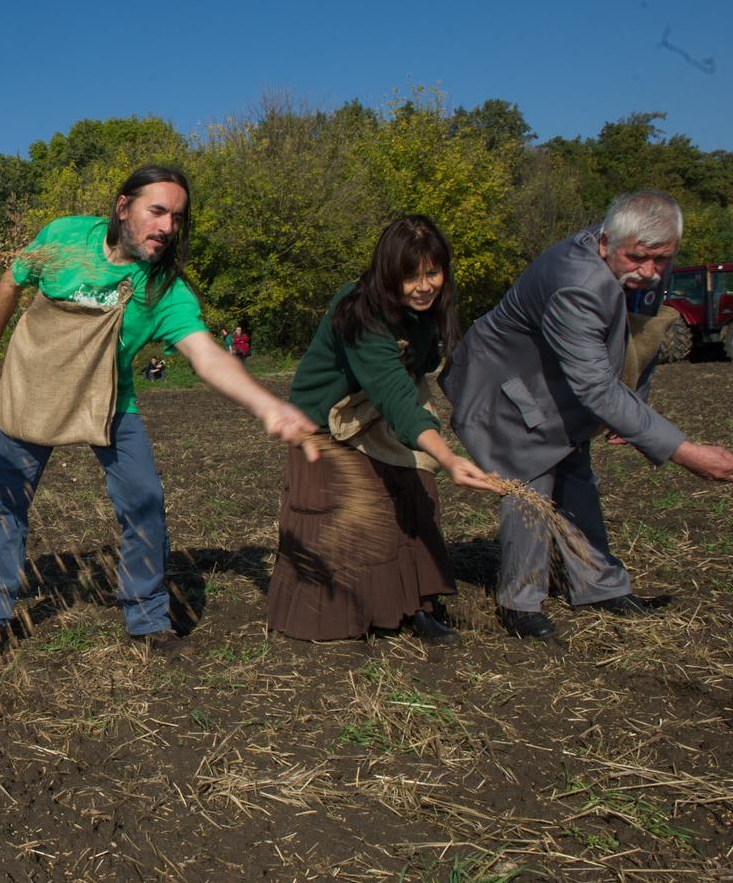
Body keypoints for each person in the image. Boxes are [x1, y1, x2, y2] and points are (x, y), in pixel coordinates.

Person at [0, 165, 318, 657]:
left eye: (177, 217)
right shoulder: (64, 237)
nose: (167, 227)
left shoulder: (163, 289)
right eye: (157, 211)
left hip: (109, 400)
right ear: (123, 206)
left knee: (145, 502)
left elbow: (205, 354)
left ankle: (148, 620)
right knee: (8, 505)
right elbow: (12, 282)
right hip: (34, 389)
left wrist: (266, 404)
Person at [441, 191, 733, 640]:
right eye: (639, 258)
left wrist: (636, 402)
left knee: (576, 472)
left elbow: (642, 334)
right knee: (529, 480)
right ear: (606, 242)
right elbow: (595, 387)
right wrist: (685, 452)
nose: (651, 272)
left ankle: (599, 585)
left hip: (554, 380)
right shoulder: (577, 282)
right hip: (505, 384)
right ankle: (520, 603)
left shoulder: (638, 261)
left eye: (662, 260)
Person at [266, 216, 501, 643]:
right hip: (325, 420)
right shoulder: (359, 311)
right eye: (410, 276)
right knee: (347, 510)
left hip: (378, 408)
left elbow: (417, 375)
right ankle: (347, 615)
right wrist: (448, 458)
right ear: (387, 274)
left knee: (415, 487)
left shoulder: (430, 311)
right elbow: (395, 396)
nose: (424, 285)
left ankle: (419, 605)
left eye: (432, 272)